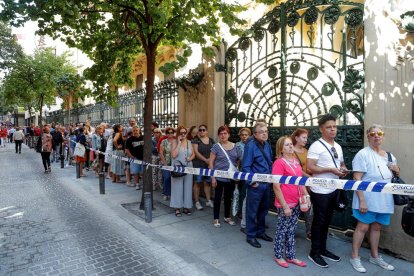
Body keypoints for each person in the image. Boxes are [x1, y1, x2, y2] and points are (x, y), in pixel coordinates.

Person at [349, 124, 397, 273]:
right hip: (367, 198)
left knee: (377, 227)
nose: (376, 136)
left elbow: (396, 172)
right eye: (372, 134)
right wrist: (362, 200)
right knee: (362, 227)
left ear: (383, 136)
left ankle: (374, 256)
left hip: (384, 199)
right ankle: (354, 257)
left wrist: (396, 169)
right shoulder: (362, 154)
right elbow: (357, 178)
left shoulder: (389, 155)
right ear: (368, 136)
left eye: (379, 133)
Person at [307, 114, 348, 268]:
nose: (332, 129)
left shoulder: (338, 146)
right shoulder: (316, 146)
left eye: (334, 126)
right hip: (320, 191)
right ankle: (314, 252)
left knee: (327, 221)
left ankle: (322, 249)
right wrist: (330, 169)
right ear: (321, 129)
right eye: (328, 127)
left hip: (334, 189)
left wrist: (343, 169)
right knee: (319, 221)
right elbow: (310, 167)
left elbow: (341, 163)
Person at [272, 136, 309, 268]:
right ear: (281, 149)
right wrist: (285, 206)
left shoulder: (295, 161)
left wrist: (306, 196)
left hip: (297, 201)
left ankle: (291, 256)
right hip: (285, 203)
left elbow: (300, 181)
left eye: (290, 144)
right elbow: (276, 186)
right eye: (287, 145)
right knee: (282, 229)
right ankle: (278, 255)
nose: (290, 147)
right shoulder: (279, 163)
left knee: (292, 229)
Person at [242, 122, 274, 248]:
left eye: (266, 131)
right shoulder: (250, 146)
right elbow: (246, 167)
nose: (264, 133)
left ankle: (260, 232)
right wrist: (252, 182)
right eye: (261, 132)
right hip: (256, 185)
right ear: (255, 134)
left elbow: (270, 162)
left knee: (264, 210)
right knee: (252, 211)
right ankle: (250, 236)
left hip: (266, 183)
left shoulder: (267, 145)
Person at [209, 125, 241, 227]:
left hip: (231, 178)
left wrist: (237, 172)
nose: (223, 135)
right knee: (218, 198)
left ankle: (227, 217)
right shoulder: (216, 147)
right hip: (218, 177)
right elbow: (211, 163)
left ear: (229, 134)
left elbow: (239, 160)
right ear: (218, 135)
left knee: (228, 198)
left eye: (225, 133)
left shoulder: (235, 146)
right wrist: (213, 177)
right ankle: (216, 218)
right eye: (221, 134)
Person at [291, 128, 312, 241]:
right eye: (303, 137)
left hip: (306, 185)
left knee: (308, 209)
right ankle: (290, 232)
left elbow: (309, 166)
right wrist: (310, 177)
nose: (305, 140)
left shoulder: (306, 151)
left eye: (306, 138)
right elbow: (296, 169)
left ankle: (309, 232)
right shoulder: (291, 151)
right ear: (296, 138)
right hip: (295, 185)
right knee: (294, 209)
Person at [170, 126, 195, 217]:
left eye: (185, 132)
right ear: (178, 134)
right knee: (177, 187)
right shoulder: (174, 142)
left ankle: (187, 207)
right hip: (177, 168)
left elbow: (193, 154)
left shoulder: (189, 142)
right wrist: (179, 143)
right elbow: (173, 155)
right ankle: (177, 207)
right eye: (181, 133)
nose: (183, 134)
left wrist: (190, 158)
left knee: (188, 187)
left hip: (188, 167)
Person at [192, 124, 215, 210]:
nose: (202, 131)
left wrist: (210, 161)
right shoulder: (195, 140)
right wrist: (206, 160)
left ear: (207, 131)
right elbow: (196, 152)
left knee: (207, 183)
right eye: (200, 130)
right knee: (197, 183)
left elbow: (214, 151)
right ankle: (197, 202)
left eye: (203, 130)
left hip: (209, 165)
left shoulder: (211, 140)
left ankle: (208, 200)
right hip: (198, 165)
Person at [237, 127, 251, 233]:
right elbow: (237, 159)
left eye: (246, 135)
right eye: (242, 135)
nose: (244, 136)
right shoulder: (238, 145)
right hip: (241, 173)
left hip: (250, 173)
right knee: (242, 194)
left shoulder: (251, 144)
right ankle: (240, 211)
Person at [159, 127, 175, 200]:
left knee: (174, 178)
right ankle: (165, 193)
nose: (170, 134)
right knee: (167, 178)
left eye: (172, 132)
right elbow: (161, 153)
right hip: (166, 163)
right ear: (166, 134)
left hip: (175, 163)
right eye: (169, 132)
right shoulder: (164, 141)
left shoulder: (176, 141)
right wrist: (164, 163)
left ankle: (172, 193)